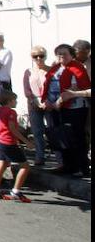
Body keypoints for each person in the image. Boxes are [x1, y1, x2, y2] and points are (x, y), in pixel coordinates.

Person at [44, 43, 91, 176]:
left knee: (76, 137)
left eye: (64, 53)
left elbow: (75, 88)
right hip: (57, 108)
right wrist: (47, 101)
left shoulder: (77, 68)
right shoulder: (55, 69)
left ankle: (81, 168)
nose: (61, 56)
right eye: (58, 53)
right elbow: (47, 86)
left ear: (71, 55)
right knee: (62, 137)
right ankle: (67, 166)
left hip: (74, 108)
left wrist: (59, 101)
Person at [0, 90, 33, 201]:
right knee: (25, 166)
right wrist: (25, 141)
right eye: (15, 100)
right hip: (9, 142)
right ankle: (16, 191)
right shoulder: (11, 112)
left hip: (0, 141)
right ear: (9, 101)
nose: (16, 102)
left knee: (1, 165)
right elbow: (13, 129)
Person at [22, 46, 52, 166]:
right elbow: (26, 89)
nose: (39, 58)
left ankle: (60, 159)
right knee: (37, 131)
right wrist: (33, 100)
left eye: (41, 55)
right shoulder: (28, 71)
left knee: (52, 130)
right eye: (35, 56)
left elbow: (54, 87)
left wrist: (48, 101)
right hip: (33, 103)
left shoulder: (50, 70)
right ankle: (40, 156)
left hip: (49, 103)